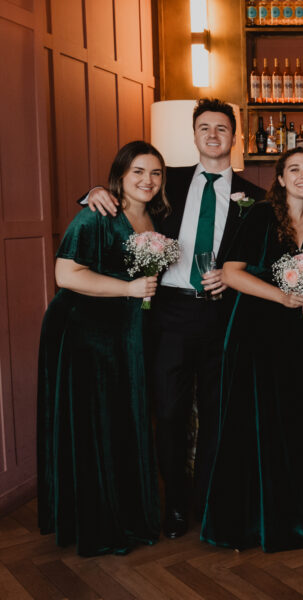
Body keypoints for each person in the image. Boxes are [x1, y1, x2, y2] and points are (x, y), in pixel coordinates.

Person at [84, 99, 266, 539]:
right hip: (170, 312)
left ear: (234, 136)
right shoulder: (168, 183)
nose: (213, 135)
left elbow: (264, 256)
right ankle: (176, 506)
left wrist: (238, 276)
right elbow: (126, 195)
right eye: (204, 127)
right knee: (169, 413)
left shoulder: (254, 197)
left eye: (222, 128)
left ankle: (207, 502)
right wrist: (93, 193)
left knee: (218, 413)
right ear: (195, 134)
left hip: (223, 316)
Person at [38, 141, 168, 556]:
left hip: (123, 334)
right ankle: (97, 522)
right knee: (97, 425)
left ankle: (127, 515)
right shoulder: (97, 214)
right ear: (120, 177)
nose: (148, 181)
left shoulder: (155, 215)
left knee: (121, 422)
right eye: (138, 173)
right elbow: (65, 273)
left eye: (155, 173)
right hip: (84, 332)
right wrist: (129, 288)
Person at [200, 149, 303, 552]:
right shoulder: (259, 215)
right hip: (254, 331)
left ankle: (295, 519)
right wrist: (282, 297)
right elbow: (231, 273)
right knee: (255, 423)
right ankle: (252, 522)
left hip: (293, 334)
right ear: (279, 177)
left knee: (298, 420)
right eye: (294, 169)